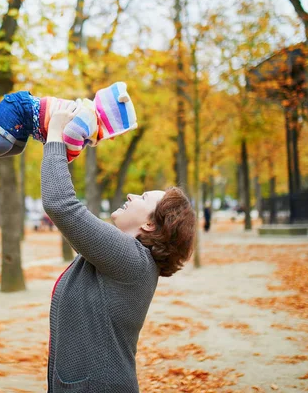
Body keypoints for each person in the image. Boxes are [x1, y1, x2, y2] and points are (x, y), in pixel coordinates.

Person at [41, 101, 196, 392]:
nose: (130, 194)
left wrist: (56, 134)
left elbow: (60, 204)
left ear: (150, 224)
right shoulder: (122, 256)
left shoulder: (130, 260)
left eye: (143, 197)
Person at [0, 82, 138, 186]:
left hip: (25, 120)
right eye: (114, 133)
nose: (112, 137)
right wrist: (67, 156)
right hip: (20, 109)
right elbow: (70, 135)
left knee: (16, 149)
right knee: (4, 143)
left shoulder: (88, 118)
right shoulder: (89, 117)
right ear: (109, 122)